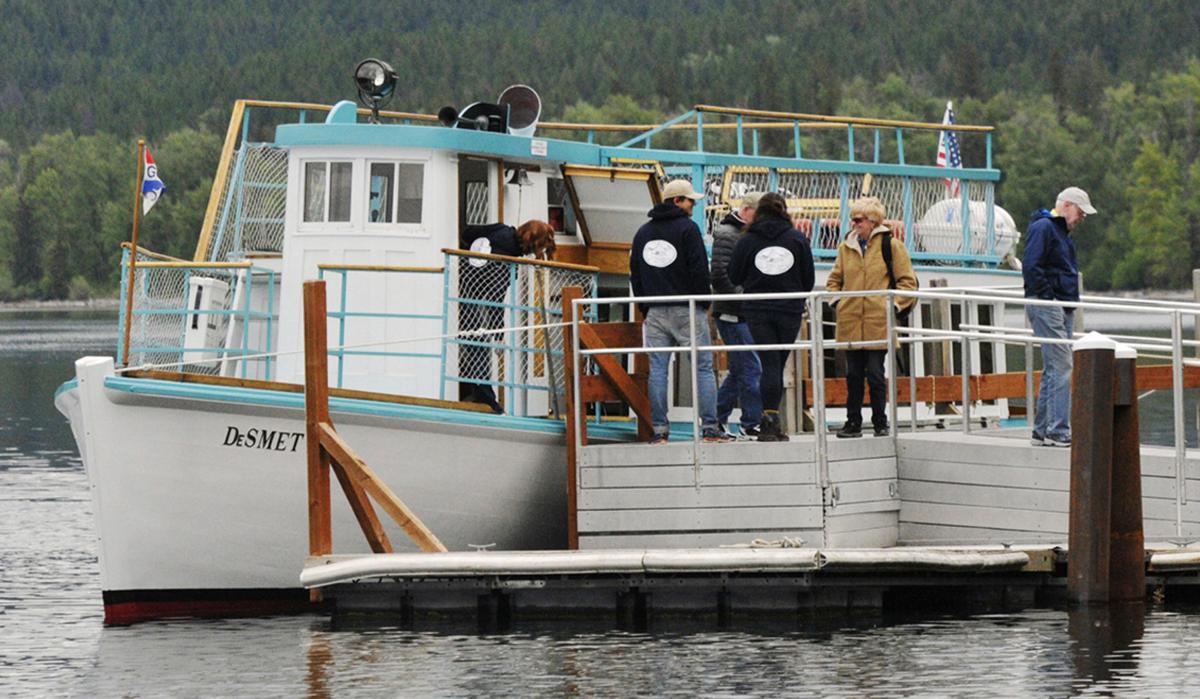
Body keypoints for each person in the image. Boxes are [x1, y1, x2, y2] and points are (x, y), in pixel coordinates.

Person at [629, 179, 730, 444]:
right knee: (703, 368)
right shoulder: (688, 229)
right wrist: (703, 303)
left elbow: (636, 275)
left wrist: (645, 306)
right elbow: (699, 270)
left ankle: (660, 431)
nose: (693, 206)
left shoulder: (642, 233)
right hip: (687, 307)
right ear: (677, 201)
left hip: (655, 312)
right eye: (690, 201)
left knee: (658, 370)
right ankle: (710, 428)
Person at [825, 196, 916, 438]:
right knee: (853, 374)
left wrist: (893, 307)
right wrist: (837, 301)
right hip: (851, 320)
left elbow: (908, 282)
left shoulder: (891, 246)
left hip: (878, 320)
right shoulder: (846, 248)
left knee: (875, 373)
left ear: (873, 221)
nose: (854, 224)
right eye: (853, 220)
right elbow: (834, 280)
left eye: (859, 220)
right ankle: (852, 422)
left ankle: (880, 423)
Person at [727, 192, 815, 442]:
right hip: (789, 309)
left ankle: (768, 419)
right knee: (778, 362)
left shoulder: (747, 240)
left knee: (768, 364)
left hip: (757, 309)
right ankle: (772, 419)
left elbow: (734, 275)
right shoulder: (797, 239)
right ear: (784, 211)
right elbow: (807, 280)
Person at [458, 220, 556, 413]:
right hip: (472, 298)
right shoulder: (508, 260)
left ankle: (479, 394)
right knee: (479, 349)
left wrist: (470, 255)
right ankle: (490, 403)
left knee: (474, 344)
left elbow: (469, 232)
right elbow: (496, 296)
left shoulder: (501, 229)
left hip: (463, 285)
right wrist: (499, 333)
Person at [1023, 186, 1096, 447]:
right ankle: (1057, 430)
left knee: (1055, 368)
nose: (1082, 218)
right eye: (1080, 212)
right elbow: (1032, 266)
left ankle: (1042, 430)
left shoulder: (1060, 231)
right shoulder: (1044, 228)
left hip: (1060, 305)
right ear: (1066, 205)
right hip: (1049, 305)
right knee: (1063, 366)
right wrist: (1049, 298)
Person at [709, 191, 764, 439]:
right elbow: (720, 275)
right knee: (751, 367)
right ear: (747, 210)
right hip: (733, 311)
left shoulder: (739, 233)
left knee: (740, 369)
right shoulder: (727, 234)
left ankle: (718, 419)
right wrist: (745, 296)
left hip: (739, 311)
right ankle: (750, 423)